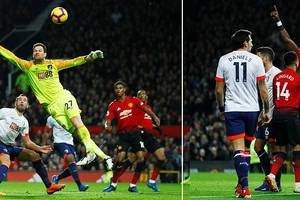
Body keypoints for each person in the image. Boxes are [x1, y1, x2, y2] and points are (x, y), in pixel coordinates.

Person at [0, 43, 113, 169]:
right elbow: (11, 56)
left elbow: (73, 62)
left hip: (63, 97)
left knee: (76, 121)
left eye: (39, 50)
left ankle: (90, 152)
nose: (37, 52)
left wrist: (88, 57)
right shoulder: (28, 67)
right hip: (52, 109)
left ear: (45, 54)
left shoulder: (53, 64)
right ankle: (105, 157)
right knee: (78, 134)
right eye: (35, 51)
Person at [215, 29, 270, 198]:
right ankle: (241, 185)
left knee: (239, 150)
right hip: (252, 110)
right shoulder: (256, 60)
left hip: (233, 109)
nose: (252, 44)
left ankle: (245, 188)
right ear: (245, 43)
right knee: (246, 149)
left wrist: (222, 108)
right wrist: (266, 110)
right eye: (251, 41)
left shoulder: (224, 59)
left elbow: (218, 90)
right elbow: (262, 88)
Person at [0, 94, 65, 196]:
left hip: (9, 146)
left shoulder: (24, 122)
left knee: (34, 156)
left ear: (27, 106)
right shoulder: (5, 111)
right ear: (15, 103)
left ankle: (49, 186)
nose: (22, 101)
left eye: (25, 100)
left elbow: (27, 142)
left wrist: (40, 149)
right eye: (20, 100)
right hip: (0, 144)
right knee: (6, 161)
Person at [103, 81, 160, 193]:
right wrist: (107, 126)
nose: (118, 90)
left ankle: (133, 185)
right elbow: (108, 121)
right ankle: (113, 184)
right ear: (115, 91)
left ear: (125, 89)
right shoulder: (113, 105)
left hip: (135, 135)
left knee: (141, 158)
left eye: (120, 88)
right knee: (119, 159)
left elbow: (146, 109)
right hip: (123, 136)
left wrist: (155, 117)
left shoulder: (133, 100)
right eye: (116, 89)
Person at [264, 51, 300, 193]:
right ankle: (298, 184)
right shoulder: (297, 78)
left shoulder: (277, 77)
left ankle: (272, 174)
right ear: (296, 62)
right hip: (291, 115)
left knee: (282, 150)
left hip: (277, 116)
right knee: (297, 147)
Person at [254, 47, 282, 192]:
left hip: (274, 118)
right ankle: (270, 180)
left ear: (266, 58)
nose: (255, 59)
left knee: (274, 150)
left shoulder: (277, 73)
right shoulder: (261, 75)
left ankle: (275, 182)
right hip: (265, 117)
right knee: (258, 147)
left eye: (258, 56)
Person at [41, 116, 89, 192]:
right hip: (59, 143)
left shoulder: (71, 116)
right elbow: (46, 132)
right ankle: (80, 185)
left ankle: (57, 178)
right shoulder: (52, 118)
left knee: (73, 167)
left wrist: (85, 142)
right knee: (71, 159)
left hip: (70, 143)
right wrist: (42, 146)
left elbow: (76, 132)